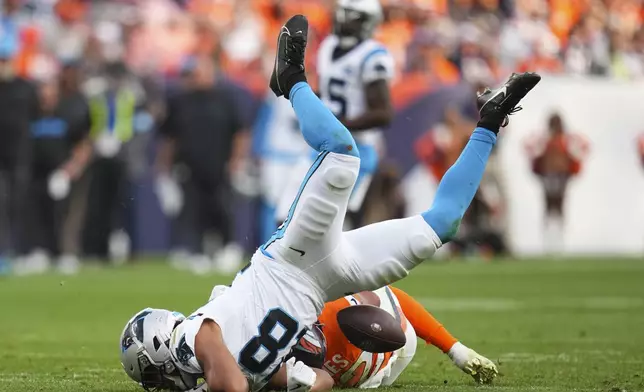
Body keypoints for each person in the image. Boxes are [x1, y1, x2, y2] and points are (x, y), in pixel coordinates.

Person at [119, 15, 539, 392]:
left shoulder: (192, 338)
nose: (158, 385)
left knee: (341, 155)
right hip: (325, 284)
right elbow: (318, 380)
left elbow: (228, 381)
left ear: (158, 343)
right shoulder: (230, 366)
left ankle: (291, 79)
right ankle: (489, 121)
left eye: (151, 374)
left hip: (291, 261)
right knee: (440, 227)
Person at [276, 0, 394, 230]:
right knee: (286, 216)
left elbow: (383, 113)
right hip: (319, 147)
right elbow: (328, 94)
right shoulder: (328, 46)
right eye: (343, 12)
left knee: (330, 223)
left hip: (354, 149)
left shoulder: (373, 56)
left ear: (367, 22)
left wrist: (337, 127)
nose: (343, 19)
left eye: (352, 15)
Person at [156, 54, 248, 274]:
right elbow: (169, 138)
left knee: (222, 207)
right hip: (189, 165)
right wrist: (163, 170)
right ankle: (197, 252)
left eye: (195, 74)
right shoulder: (179, 101)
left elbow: (241, 133)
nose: (191, 79)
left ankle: (228, 248)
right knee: (193, 210)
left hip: (219, 164)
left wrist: (237, 161)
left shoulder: (225, 98)